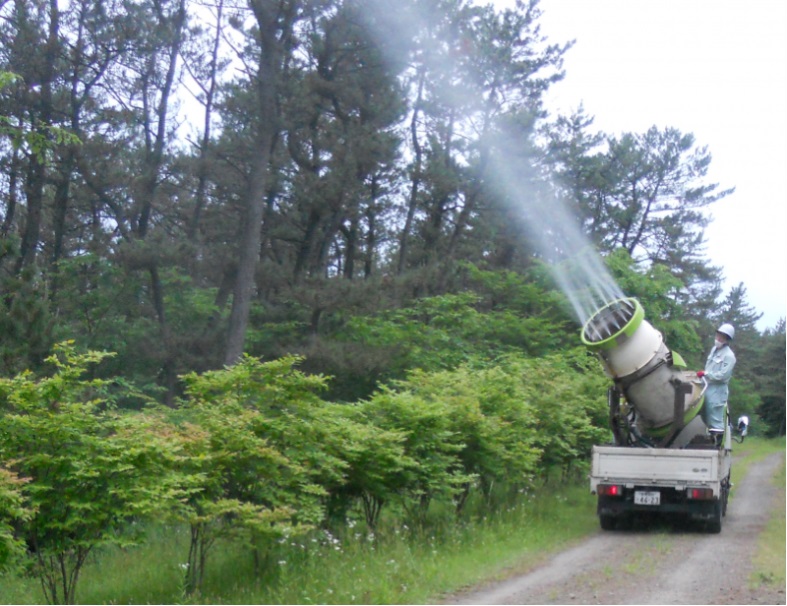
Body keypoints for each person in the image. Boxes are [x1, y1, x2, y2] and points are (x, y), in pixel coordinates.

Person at [697, 323, 736, 432]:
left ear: (727, 339)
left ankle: (718, 447)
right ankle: (707, 443)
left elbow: (723, 376)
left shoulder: (729, 356)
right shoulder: (714, 349)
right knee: (704, 418)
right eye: (718, 335)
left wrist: (706, 374)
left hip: (717, 391)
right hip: (706, 387)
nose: (718, 338)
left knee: (715, 420)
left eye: (722, 336)